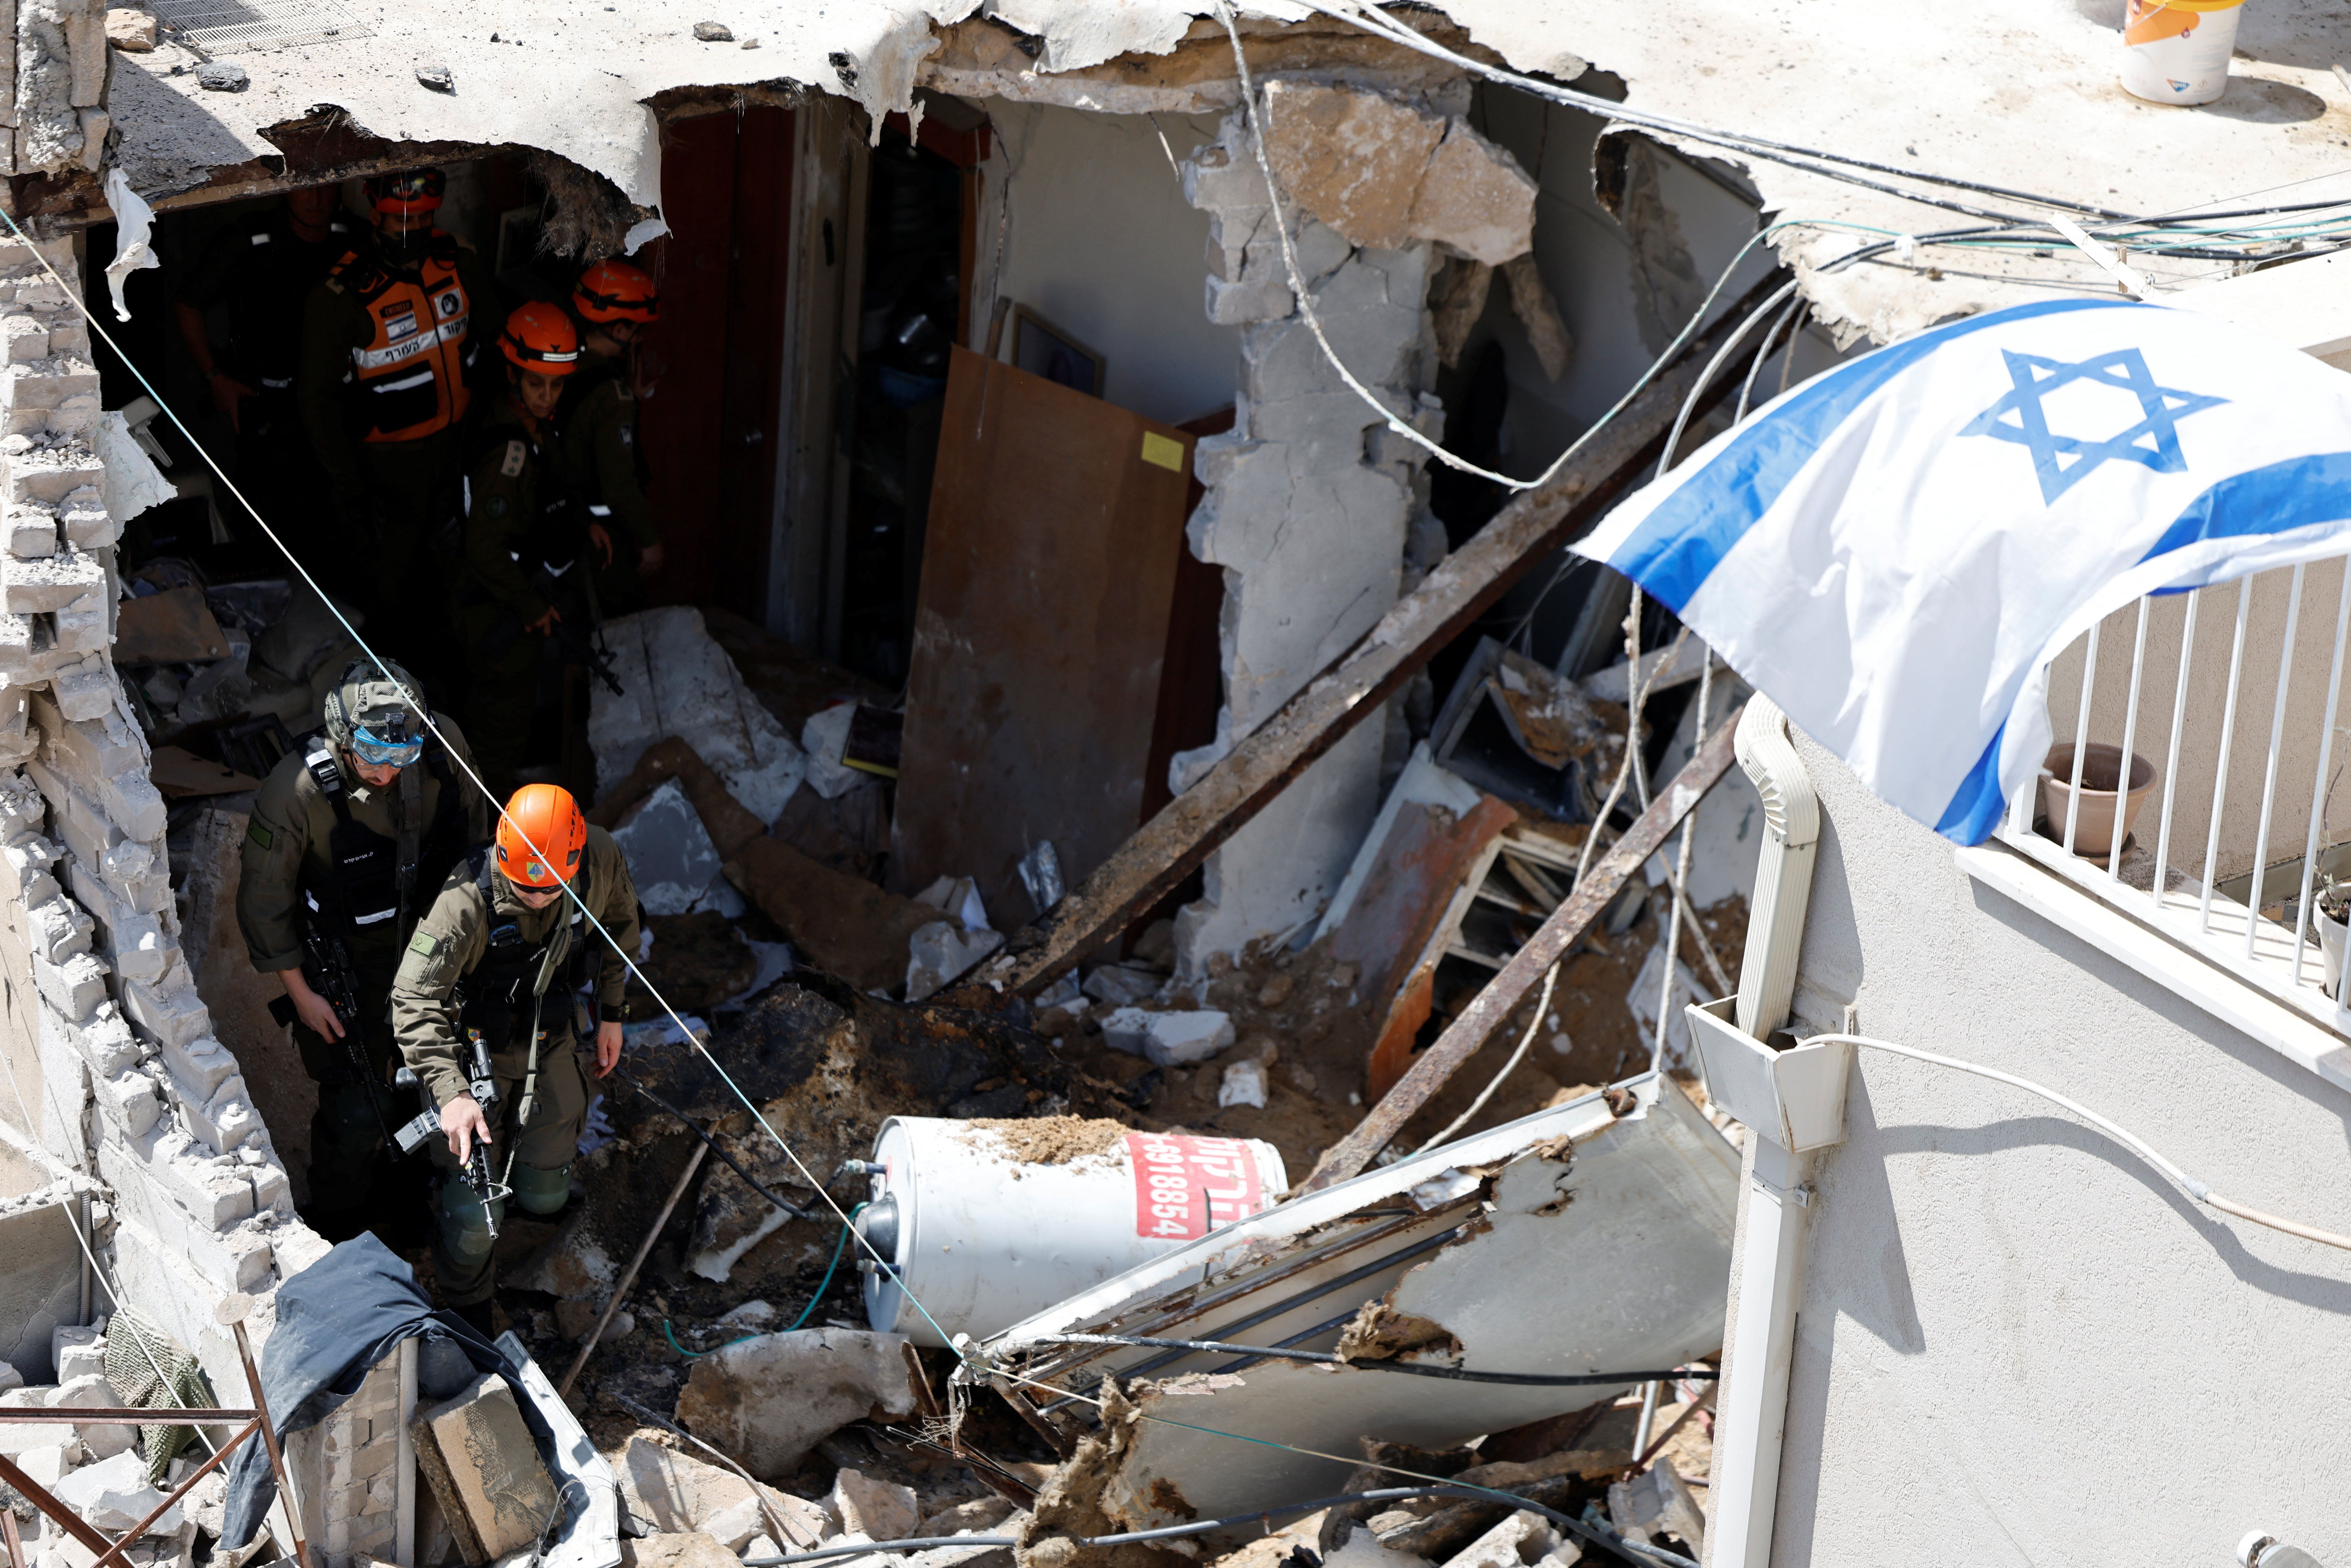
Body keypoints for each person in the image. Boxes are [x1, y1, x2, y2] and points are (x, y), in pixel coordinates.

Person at [236, 659, 488, 1237]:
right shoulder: (296, 792)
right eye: (373, 753)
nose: (388, 770)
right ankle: (340, 1223)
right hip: (351, 968)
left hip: (435, 953)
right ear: (345, 739)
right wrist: (302, 995)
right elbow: (263, 904)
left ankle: (416, 1199)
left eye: (403, 754)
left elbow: (478, 844)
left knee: (432, 1087)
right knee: (354, 1108)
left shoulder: (440, 749)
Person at [389, 784, 639, 1330]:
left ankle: (520, 1205)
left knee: (546, 1195)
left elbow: (620, 930)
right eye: (526, 886)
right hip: (476, 1054)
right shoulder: (465, 900)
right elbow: (412, 998)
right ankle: (466, 1302)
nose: (538, 896)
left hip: (552, 1041)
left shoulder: (598, 858)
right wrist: (451, 1093)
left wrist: (613, 1013)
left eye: (551, 887)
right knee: (476, 1217)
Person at [298, 168, 499, 673]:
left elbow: (497, 344)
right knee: (387, 600)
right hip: (385, 474)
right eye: (397, 219)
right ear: (373, 213)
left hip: (454, 458)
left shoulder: (459, 265)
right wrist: (351, 488)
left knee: (457, 581)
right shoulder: (341, 297)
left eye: (424, 216)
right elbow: (316, 404)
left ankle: (453, 691)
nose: (410, 228)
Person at [174, 185, 354, 570]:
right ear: (286, 191)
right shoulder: (252, 239)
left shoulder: (353, 235)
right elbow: (189, 304)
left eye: (326, 189)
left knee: (336, 515)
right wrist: (216, 377)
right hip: (268, 404)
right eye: (305, 190)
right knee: (266, 519)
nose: (316, 199)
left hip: (336, 402)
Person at [454, 302, 592, 799]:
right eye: (537, 384)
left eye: (556, 385)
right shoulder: (507, 454)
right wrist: (531, 605)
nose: (547, 395)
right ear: (513, 374)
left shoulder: (536, 428)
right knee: (497, 732)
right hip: (495, 611)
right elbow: (484, 548)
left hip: (512, 598)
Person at [561, 259, 664, 614]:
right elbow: (618, 486)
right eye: (637, 329)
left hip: (565, 519)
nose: (641, 337)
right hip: (600, 538)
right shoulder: (611, 395)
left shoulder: (562, 361)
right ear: (619, 330)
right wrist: (650, 541)